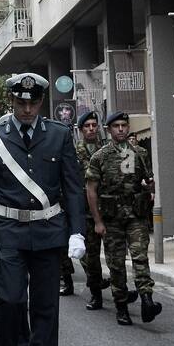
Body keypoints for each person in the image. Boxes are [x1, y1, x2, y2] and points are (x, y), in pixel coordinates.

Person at [0, 72, 87, 346]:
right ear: (12, 101)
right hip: (8, 232)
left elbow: (72, 186)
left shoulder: (59, 134)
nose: (27, 109)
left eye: (33, 102)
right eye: (21, 103)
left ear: (41, 102)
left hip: (48, 233)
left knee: (45, 307)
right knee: (9, 301)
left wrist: (77, 231)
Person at [86, 113, 162, 325]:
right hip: (112, 219)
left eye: (124, 126)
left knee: (140, 257)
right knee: (116, 263)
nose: (120, 129)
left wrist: (150, 189)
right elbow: (91, 190)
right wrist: (98, 221)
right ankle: (121, 306)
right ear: (109, 129)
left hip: (136, 215)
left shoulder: (140, 152)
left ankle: (147, 298)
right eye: (116, 126)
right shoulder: (100, 156)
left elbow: (149, 180)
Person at [71, 110, 107, 310]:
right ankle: (96, 294)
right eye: (87, 126)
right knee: (91, 256)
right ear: (81, 129)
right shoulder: (76, 151)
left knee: (114, 254)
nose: (92, 128)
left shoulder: (107, 148)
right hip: (86, 210)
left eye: (94, 125)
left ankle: (120, 292)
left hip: (109, 209)